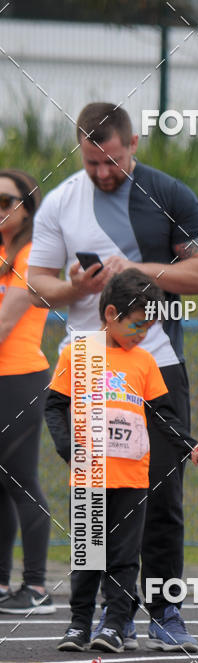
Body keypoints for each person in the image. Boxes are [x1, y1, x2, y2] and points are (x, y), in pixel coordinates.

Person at [28, 102, 198, 652]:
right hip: (88, 362)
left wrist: (139, 273)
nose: (102, 173)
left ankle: (166, 611)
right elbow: (37, 284)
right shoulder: (62, 200)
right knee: (92, 499)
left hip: (154, 363)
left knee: (162, 495)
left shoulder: (172, 194)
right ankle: (102, 616)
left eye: (112, 161)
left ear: (133, 142)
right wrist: (75, 289)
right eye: (91, 163)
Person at [46, 269, 198, 653]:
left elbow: (163, 414)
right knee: (88, 554)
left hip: (133, 478)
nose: (143, 333)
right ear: (111, 313)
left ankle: (114, 625)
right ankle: (79, 624)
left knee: (124, 557)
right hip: (88, 476)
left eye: (149, 326)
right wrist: (69, 449)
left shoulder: (145, 362)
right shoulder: (78, 353)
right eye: (137, 325)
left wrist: (191, 444)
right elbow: (55, 405)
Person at [0, 169, 54, 616]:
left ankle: (35, 586)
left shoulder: (34, 256)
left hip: (18, 378)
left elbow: (4, 324)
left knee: (20, 479)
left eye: (6, 201)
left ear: (28, 207)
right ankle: (2, 581)